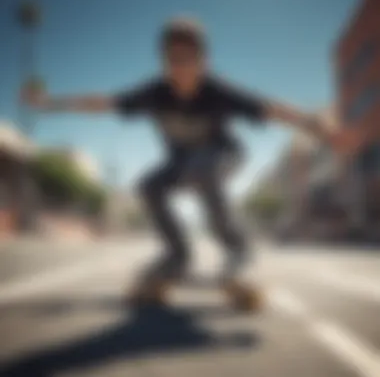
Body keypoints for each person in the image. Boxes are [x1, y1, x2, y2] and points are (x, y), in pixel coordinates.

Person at [23, 18, 365, 310]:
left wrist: (321, 130)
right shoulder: (155, 92)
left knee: (203, 168)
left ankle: (236, 250)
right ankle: (177, 255)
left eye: (189, 59)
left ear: (203, 60)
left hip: (225, 156)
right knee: (148, 185)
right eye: (173, 60)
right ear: (163, 61)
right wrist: (51, 102)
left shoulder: (219, 90)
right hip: (182, 164)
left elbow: (274, 109)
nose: (181, 69)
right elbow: (103, 103)